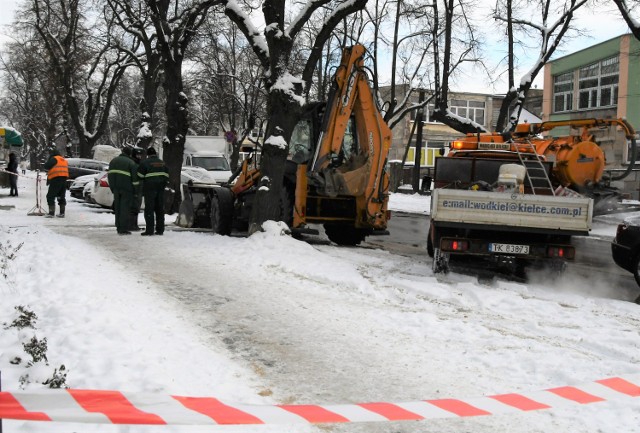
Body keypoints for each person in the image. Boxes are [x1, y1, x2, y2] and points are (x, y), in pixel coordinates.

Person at [137, 147, 169, 236]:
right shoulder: (162, 163)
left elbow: (139, 175)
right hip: (160, 188)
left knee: (149, 209)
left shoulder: (145, 163)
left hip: (150, 188)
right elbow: (167, 175)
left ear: (148, 155)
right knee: (159, 209)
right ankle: (160, 230)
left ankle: (149, 230)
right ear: (156, 153)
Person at [108, 147, 138, 235]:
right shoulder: (131, 163)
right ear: (129, 154)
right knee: (125, 208)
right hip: (127, 189)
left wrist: (112, 188)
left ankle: (118, 226)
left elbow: (110, 175)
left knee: (118, 208)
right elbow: (135, 179)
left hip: (116, 189)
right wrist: (135, 191)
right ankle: (123, 228)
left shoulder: (113, 161)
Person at [43, 147, 68, 217]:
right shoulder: (63, 159)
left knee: (50, 196)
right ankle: (62, 213)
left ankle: (51, 213)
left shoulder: (54, 159)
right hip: (64, 180)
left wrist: (48, 160)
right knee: (61, 196)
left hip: (56, 179)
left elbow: (46, 166)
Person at [129, 147, 144, 231]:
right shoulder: (134, 164)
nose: (139, 156)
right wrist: (136, 190)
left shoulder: (136, 163)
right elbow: (135, 178)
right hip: (136, 189)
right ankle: (132, 225)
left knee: (136, 208)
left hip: (138, 189)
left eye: (140, 155)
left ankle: (134, 225)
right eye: (138, 155)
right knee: (134, 208)